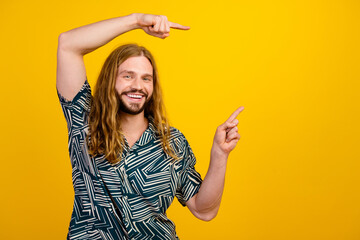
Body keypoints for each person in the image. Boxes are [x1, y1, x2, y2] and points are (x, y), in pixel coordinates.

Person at [56, 13, 244, 240]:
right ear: (110, 81)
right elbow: (68, 45)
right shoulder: (85, 122)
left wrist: (220, 154)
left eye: (146, 78)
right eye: (128, 76)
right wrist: (136, 21)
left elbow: (204, 210)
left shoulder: (172, 142)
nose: (138, 86)